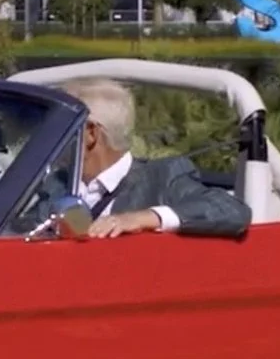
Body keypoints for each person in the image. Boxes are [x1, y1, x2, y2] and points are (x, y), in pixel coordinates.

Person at [57, 78, 251, 239]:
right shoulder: (51, 184)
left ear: (91, 133)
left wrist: (143, 218)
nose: (49, 137)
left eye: (58, 127)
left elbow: (232, 210)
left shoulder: (162, 177)